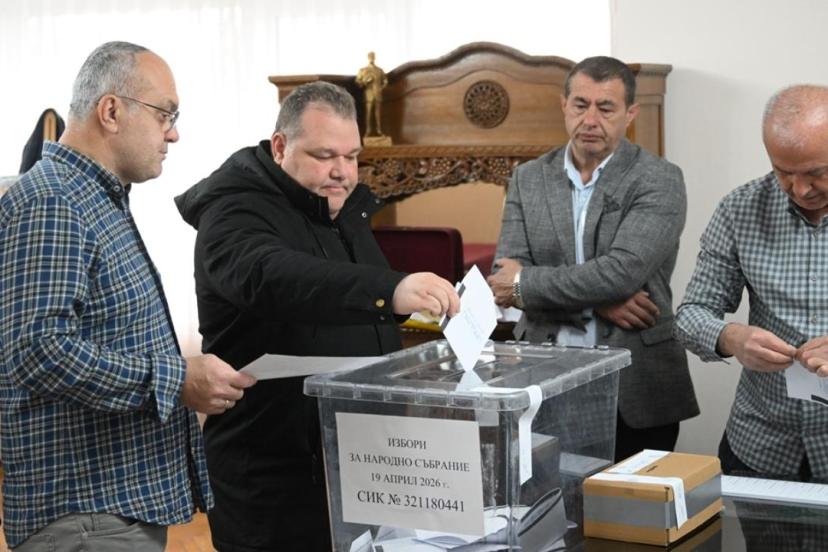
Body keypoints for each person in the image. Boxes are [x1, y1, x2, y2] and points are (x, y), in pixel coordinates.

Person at [175, 81, 460, 552]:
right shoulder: (232, 208)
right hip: (273, 473)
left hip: (358, 462)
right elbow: (272, 276)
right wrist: (390, 289)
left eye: (352, 156)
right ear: (280, 146)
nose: (342, 172)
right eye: (325, 155)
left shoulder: (336, 203)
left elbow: (353, 311)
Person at [0, 41, 256, 551]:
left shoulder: (94, 197)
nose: (174, 133)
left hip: (105, 516)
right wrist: (177, 379)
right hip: (86, 520)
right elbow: (38, 351)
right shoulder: (53, 200)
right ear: (111, 111)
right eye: (165, 114)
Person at [487, 56, 699, 462]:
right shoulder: (528, 178)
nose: (590, 120)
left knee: (628, 503)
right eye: (580, 105)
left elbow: (621, 272)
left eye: (606, 108)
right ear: (563, 105)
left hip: (636, 390)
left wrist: (529, 284)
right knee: (551, 498)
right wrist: (599, 302)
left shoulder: (659, 178)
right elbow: (504, 280)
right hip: (545, 378)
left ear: (630, 114)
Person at [675, 84, 828, 480]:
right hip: (762, 444)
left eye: (816, 173)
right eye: (783, 172)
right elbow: (691, 313)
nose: (800, 189)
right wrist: (731, 338)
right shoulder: (740, 209)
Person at [355, 51, 388, 137]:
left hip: (378, 94)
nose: (372, 58)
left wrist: (381, 87)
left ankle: (379, 130)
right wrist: (365, 81)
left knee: (378, 114)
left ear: (375, 58)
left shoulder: (379, 70)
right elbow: (358, 81)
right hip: (368, 94)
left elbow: (385, 80)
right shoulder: (363, 70)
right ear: (368, 58)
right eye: (370, 56)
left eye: (373, 56)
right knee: (368, 114)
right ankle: (368, 131)